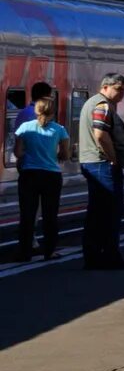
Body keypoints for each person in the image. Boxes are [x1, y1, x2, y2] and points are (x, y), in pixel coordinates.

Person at [76, 73, 124, 270]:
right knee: (110, 211)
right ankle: (109, 256)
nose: (122, 94)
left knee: (96, 211)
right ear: (106, 87)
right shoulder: (102, 105)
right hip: (101, 163)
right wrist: (112, 158)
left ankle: (94, 256)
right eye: (119, 89)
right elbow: (100, 134)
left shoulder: (91, 103)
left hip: (90, 162)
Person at [13, 84, 68, 264]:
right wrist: (53, 153)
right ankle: (49, 251)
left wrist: (29, 151)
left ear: (35, 109)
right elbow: (64, 154)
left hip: (29, 175)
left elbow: (18, 153)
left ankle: (24, 253)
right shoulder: (60, 130)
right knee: (50, 215)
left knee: (27, 215)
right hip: (51, 176)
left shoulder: (25, 128)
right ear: (53, 111)